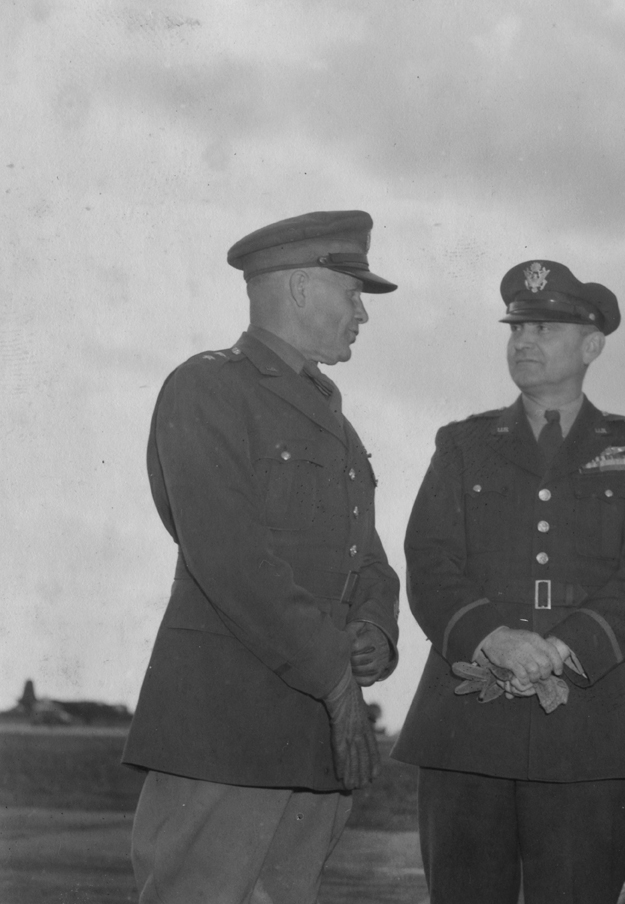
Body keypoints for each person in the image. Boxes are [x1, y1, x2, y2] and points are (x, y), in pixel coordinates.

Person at [123, 210, 401, 904]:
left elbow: (367, 560)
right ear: (302, 289)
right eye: (352, 293)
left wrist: (376, 632)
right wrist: (339, 681)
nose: (362, 313)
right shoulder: (208, 387)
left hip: (313, 734)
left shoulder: (335, 419)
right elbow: (232, 559)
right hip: (226, 724)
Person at [392, 260, 625, 904]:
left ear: (592, 344)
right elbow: (431, 558)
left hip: (590, 724)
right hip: (470, 721)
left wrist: (567, 646)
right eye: (516, 328)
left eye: (544, 327)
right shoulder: (463, 444)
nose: (523, 341)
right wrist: (492, 637)